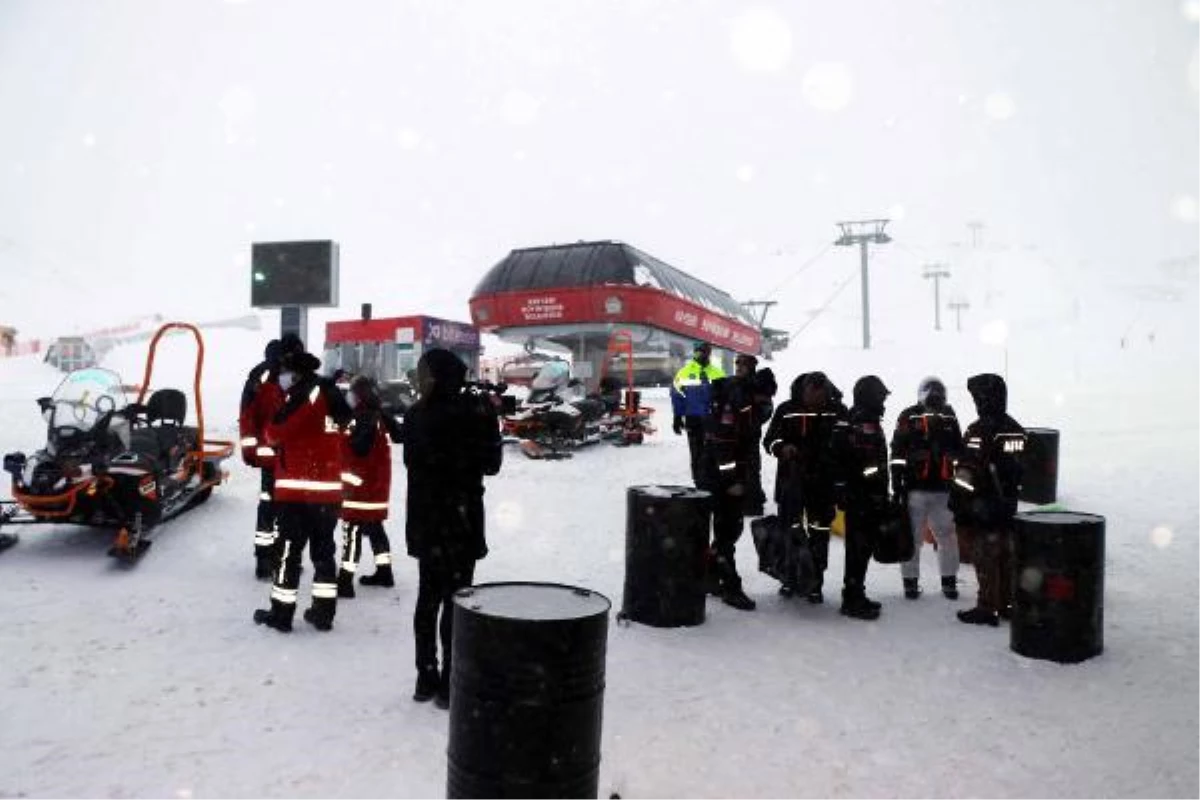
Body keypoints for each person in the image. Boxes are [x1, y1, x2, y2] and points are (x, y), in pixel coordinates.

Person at [404, 349, 502, 708]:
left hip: (427, 519)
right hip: (461, 520)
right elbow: (492, 464)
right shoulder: (476, 411)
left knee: (427, 599)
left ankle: (424, 676)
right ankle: (450, 683)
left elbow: (413, 461)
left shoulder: (416, 414)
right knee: (457, 599)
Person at [253, 345, 352, 633]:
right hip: (328, 493)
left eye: (284, 372)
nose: (281, 377)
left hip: (298, 493)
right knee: (324, 555)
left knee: (288, 554)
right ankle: (323, 613)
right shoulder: (331, 394)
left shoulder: (304, 395)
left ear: (295, 374)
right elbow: (343, 427)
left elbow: (275, 433)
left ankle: (281, 614)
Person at [762, 371, 848, 602]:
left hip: (824, 484)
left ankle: (815, 582)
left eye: (821, 396)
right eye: (812, 395)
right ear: (804, 391)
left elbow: (847, 449)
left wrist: (841, 482)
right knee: (789, 531)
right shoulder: (786, 409)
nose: (816, 400)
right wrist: (783, 448)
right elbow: (769, 441)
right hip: (791, 481)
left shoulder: (839, 411)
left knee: (820, 533)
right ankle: (789, 578)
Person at [950, 373, 1026, 626]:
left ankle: (987, 606)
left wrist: (959, 500)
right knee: (1006, 555)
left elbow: (968, 470)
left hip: (984, 504)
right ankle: (1006, 603)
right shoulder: (1016, 429)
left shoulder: (978, 430)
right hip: (1008, 503)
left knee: (985, 555)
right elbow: (1023, 467)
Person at [890, 376, 964, 600]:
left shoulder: (948, 417)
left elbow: (959, 451)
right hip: (918, 488)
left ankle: (943, 582)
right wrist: (898, 482)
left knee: (944, 537)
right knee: (917, 538)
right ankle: (914, 583)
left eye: (938, 391)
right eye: (931, 391)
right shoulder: (911, 415)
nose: (935, 396)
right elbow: (898, 451)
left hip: (940, 489)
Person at [830, 375, 892, 620]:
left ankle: (857, 592)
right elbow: (856, 463)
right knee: (858, 548)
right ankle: (852, 598)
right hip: (861, 498)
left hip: (867, 496)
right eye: (880, 396)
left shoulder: (867, 419)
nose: (883, 400)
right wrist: (870, 490)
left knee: (862, 549)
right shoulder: (858, 422)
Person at [336, 376, 404, 598]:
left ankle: (345, 580)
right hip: (377, 486)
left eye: (353, 393)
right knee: (375, 528)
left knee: (352, 531)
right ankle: (384, 572)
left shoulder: (361, 419)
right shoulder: (381, 416)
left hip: (359, 488)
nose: (350, 397)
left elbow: (358, 451)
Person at [698, 376, 761, 611]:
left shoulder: (738, 405)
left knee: (728, 532)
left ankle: (710, 575)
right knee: (728, 532)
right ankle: (731, 587)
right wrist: (732, 482)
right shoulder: (731, 408)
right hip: (721, 482)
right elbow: (724, 450)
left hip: (721, 478)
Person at [239, 339, 287, 579]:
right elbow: (249, 419)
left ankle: (272, 557)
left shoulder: (262, 382)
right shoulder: (262, 384)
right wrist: (251, 452)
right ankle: (269, 558)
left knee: (274, 509)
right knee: (276, 508)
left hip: (279, 462)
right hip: (278, 461)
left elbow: (248, 420)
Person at [670, 341, 725, 485]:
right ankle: (699, 484)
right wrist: (677, 416)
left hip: (713, 420)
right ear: (694, 352)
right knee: (697, 453)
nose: (703, 354)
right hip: (693, 419)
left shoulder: (718, 373)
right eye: (700, 351)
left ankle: (714, 484)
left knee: (714, 452)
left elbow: (726, 397)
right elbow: (677, 395)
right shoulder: (684, 372)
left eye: (706, 351)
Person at [733, 354, 777, 516]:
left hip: (749, 435)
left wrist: (748, 418)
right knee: (735, 468)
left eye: (742, 365)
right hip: (733, 434)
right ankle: (747, 498)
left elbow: (765, 412)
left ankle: (753, 504)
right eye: (737, 364)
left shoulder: (758, 385)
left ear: (750, 367)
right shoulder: (736, 384)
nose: (738, 367)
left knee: (750, 469)